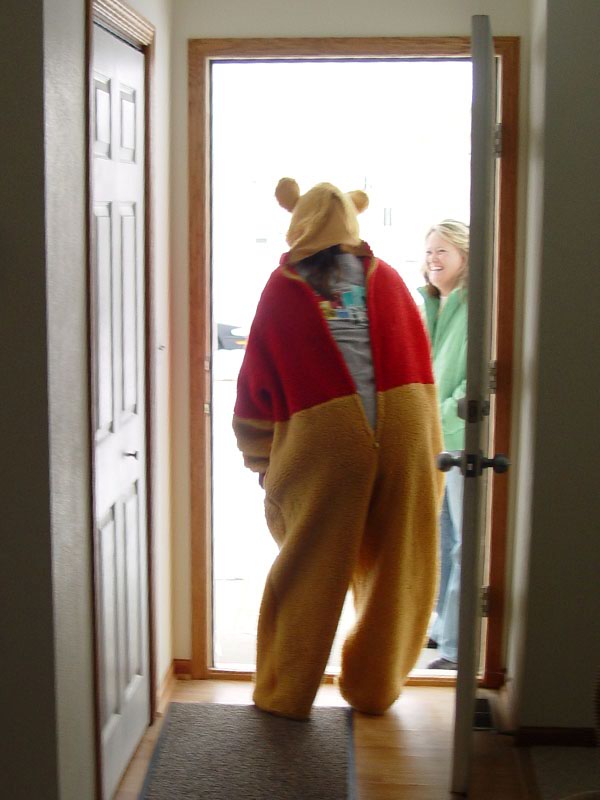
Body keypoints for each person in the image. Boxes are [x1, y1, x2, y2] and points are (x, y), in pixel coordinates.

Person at [232, 178, 444, 719]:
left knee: (307, 571)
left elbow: (256, 386)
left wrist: (262, 462)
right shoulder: (388, 279)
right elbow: (421, 370)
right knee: (397, 569)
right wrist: (428, 451)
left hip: (324, 448)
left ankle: (285, 693)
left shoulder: (283, 289)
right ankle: (375, 687)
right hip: (405, 439)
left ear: (298, 224)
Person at [418, 220, 469, 670]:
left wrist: (445, 414)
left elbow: (478, 378)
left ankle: (456, 645)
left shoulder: (476, 306)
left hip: (463, 439)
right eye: (430, 251)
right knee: (442, 536)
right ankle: (440, 627)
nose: (433, 259)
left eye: (443, 251)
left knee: (463, 542)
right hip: (435, 439)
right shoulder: (434, 304)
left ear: (464, 257)